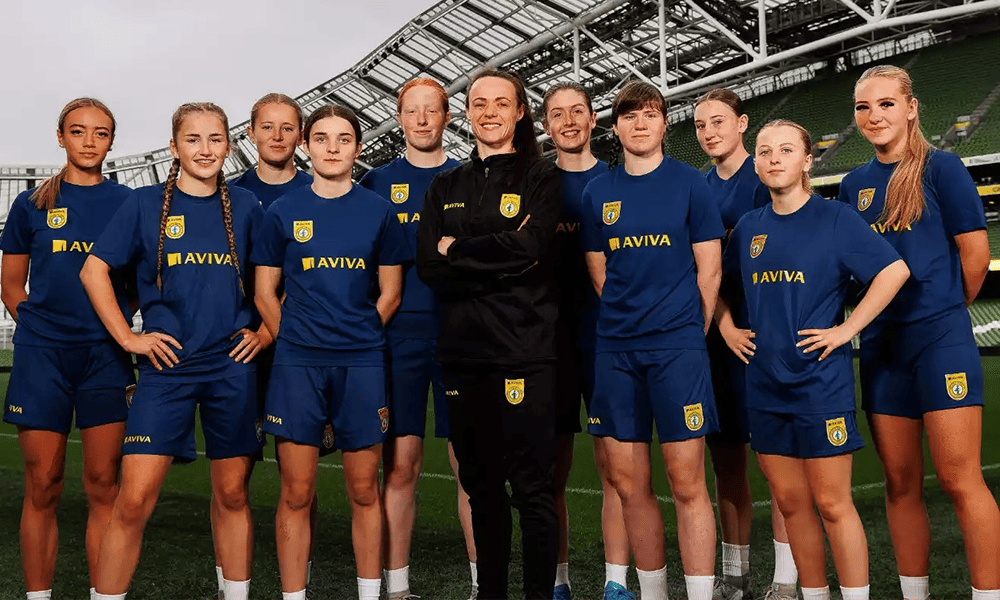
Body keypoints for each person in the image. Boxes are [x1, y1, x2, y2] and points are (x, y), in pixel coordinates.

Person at [81, 102, 268, 600]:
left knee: (232, 494)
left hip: (231, 368)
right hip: (166, 371)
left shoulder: (248, 207)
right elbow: (92, 270)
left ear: (229, 145)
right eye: (193, 139)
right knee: (134, 499)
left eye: (214, 139)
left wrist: (266, 333)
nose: (205, 149)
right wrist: (129, 337)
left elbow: (280, 281)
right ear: (174, 147)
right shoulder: (143, 205)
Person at [720, 119, 909, 600]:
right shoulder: (747, 229)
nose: (774, 158)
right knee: (790, 502)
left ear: (807, 160)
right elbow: (715, 287)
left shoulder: (837, 218)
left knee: (831, 502)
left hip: (819, 386)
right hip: (763, 385)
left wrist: (847, 328)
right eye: (764, 151)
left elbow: (894, 270)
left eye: (786, 150)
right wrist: (725, 327)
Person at [839, 65, 1000, 600]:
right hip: (883, 349)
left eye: (886, 104)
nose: (874, 115)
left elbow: (975, 259)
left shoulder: (943, 169)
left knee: (959, 480)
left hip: (940, 341)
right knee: (900, 485)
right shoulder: (853, 185)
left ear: (910, 108)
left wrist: (942, 315)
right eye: (864, 107)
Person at [415, 68, 563, 600]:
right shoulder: (445, 184)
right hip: (463, 357)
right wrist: (497, 253)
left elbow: (532, 250)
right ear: (468, 113)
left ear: (519, 111)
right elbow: (429, 266)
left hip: (525, 353)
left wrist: (459, 250)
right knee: (481, 488)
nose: (490, 112)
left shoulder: (542, 177)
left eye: (502, 102)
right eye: (479, 103)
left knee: (533, 490)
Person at [252, 103, 407, 600]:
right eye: (322, 138)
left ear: (358, 148)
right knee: (296, 493)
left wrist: (355, 334)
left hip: (361, 363)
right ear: (306, 146)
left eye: (344, 139)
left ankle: (369, 594)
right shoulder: (282, 211)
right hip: (297, 365)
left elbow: (390, 294)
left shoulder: (380, 211)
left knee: (364, 490)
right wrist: (298, 337)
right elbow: (264, 293)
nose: (333, 147)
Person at [582, 80, 723, 600]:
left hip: (677, 350)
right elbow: (600, 274)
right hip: (616, 351)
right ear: (614, 126)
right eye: (628, 115)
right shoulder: (599, 192)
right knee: (629, 485)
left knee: (688, 483)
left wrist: (687, 333)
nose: (640, 124)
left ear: (665, 123)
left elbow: (709, 272)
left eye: (650, 114)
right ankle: (655, 592)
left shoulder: (691, 184)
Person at [0, 98, 133, 600]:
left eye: (100, 133)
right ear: (61, 137)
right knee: (44, 484)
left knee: (104, 486)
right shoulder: (31, 204)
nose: (89, 141)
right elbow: (12, 285)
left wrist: (116, 325)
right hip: (44, 359)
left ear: (111, 142)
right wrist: (42, 333)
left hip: (105, 357)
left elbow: (140, 278)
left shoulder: (127, 203)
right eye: (78, 132)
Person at [357, 78, 477, 600]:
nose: (423, 120)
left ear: (447, 117)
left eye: (432, 110)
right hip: (398, 340)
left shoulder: (473, 178)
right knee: (400, 463)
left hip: (464, 336)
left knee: (469, 463)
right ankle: (398, 587)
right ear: (399, 117)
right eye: (412, 111)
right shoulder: (376, 184)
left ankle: (482, 584)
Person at [692, 88, 797, 600]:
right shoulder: (697, 188)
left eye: (719, 121)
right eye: (699, 125)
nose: (710, 131)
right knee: (727, 463)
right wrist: (724, 325)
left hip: (767, 344)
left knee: (775, 462)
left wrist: (745, 329)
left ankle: (786, 575)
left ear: (742, 124)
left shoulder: (767, 179)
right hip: (719, 343)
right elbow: (703, 272)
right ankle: (735, 574)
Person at [540, 82, 631, 600]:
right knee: (552, 470)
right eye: (558, 114)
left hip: (608, 339)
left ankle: (616, 581)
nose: (569, 121)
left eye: (578, 111)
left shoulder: (618, 180)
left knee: (615, 465)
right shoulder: (533, 184)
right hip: (547, 343)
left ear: (594, 119)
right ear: (546, 125)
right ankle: (559, 581)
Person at [226, 92, 316, 600]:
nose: (278, 136)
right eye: (267, 127)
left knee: (299, 479)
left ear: (300, 136)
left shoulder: (320, 187)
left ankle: (297, 577)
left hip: (295, 348)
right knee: (233, 476)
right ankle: (230, 581)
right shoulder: (229, 194)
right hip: (237, 350)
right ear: (252, 134)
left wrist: (271, 330)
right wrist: (254, 330)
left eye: (287, 128)